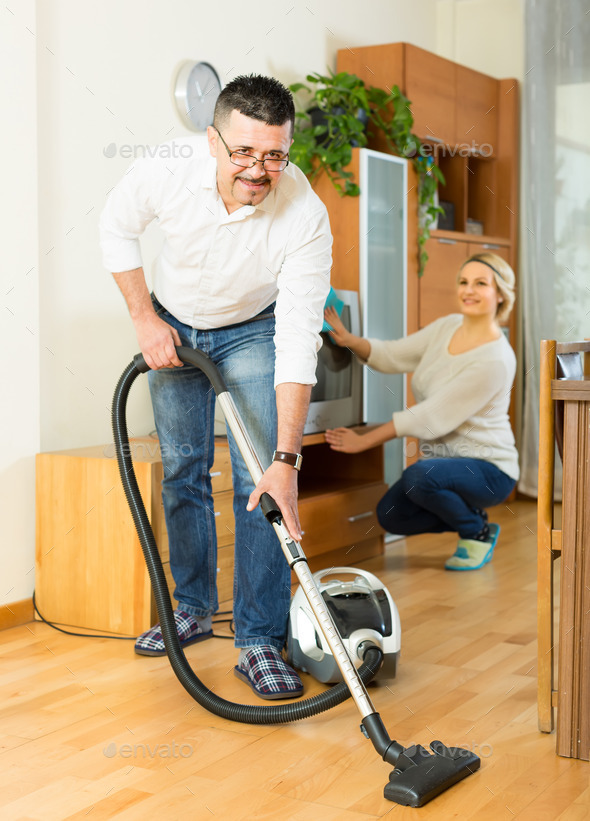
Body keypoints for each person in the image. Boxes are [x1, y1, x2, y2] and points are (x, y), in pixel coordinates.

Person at [99, 75, 331, 698]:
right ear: (212, 139)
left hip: (255, 330)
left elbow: (299, 337)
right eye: (244, 153)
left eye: (274, 156)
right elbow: (116, 227)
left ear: (287, 149)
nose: (259, 170)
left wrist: (288, 459)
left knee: (263, 481)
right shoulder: (169, 167)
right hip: (172, 323)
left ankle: (258, 640)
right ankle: (193, 609)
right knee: (183, 469)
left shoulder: (304, 213)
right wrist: (146, 320)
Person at [324, 252, 519, 571]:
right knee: (391, 515)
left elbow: (430, 416)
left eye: (481, 283)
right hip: (446, 467)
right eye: (463, 282)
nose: (468, 290)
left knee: (418, 476)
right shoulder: (448, 326)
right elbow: (394, 354)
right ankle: (473, 519)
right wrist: (349, 340)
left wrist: (366, 439)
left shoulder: (495, 360)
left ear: (500, 295)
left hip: (490, 469)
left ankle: (476, 532)